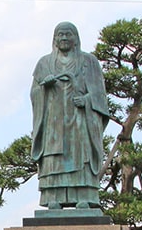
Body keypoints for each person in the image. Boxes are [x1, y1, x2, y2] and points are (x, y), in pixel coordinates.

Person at [31, 21, 110, 210]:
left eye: (68, 34)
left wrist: (87, 101)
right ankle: (52, 198)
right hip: (53, 121)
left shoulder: (89, 62)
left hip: (80, 119)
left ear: (76, 38)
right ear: (54, 38)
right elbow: (34, 93)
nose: (64, 38)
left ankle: (84, 195)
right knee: (53, 157)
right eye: (60, 34)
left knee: (81, 156)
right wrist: (43, 88)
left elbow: (100, 94)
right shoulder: (44, 63)